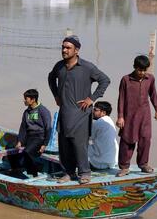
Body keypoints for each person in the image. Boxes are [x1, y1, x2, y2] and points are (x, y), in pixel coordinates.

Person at [47, 35, 110, 184]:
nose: (64, 50)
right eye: (63, 47)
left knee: (79, 144)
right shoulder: (59, 66)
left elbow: (104, 80)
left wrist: (92, 98)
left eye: (68, 47)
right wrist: (56, 95)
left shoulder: (87, 68)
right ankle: (68, 173)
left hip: (81, 113)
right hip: (65, 112)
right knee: (64, 143)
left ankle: (84, 172)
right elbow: (50, 78)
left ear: (77, 50)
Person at [116, 55, 157, 176]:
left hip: (145, 115)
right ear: (134, 67)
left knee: (145, 139)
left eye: (144, 70)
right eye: (139, 70)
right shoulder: (126, 79)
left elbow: (153, 94)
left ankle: (143, 164)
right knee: (127, 140)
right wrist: (120, 116)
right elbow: (121, 99)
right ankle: (124, 167)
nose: (142, 72)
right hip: (129, 115)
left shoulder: (150, 79)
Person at [15, 89, 52, 177]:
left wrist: (44, 144)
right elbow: (23, 127)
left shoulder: (43, 111)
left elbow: (48, 128)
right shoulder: (26, 112)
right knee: (11, 148)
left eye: (26, 98)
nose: (24, 101)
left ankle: (34, 174)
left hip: (39, 137)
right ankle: (17, 169)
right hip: (29, 136)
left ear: (33, 99)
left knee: (27, 152)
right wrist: (20, 141)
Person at [89, 101, 119, 170]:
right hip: (112, 162)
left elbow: (88, 137)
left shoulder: (99, 122)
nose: (93, 112)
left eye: (95, 110)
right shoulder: (110, 121)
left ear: (104, 113)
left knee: (79, 145)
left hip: (100, 163)